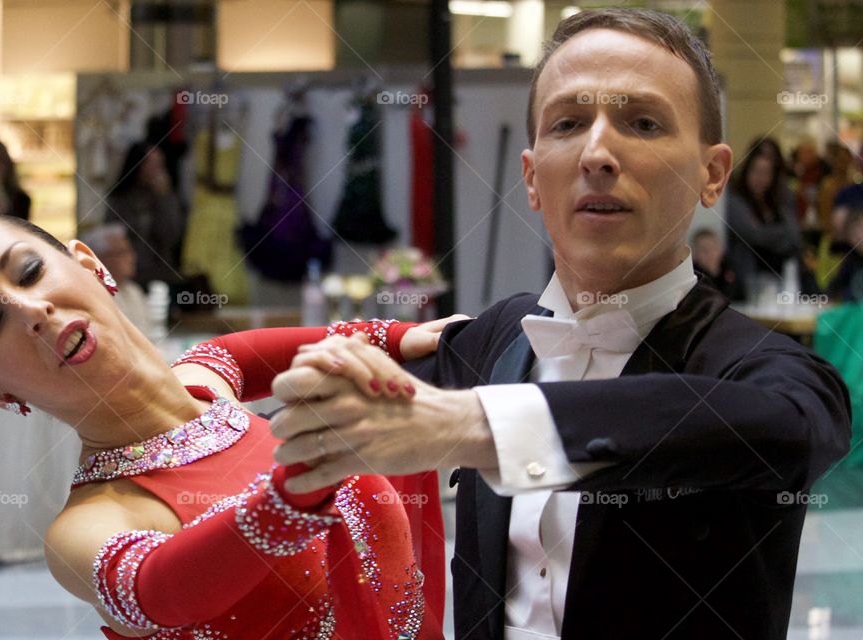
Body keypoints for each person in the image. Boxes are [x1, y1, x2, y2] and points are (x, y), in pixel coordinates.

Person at [268, 9, 851, 640]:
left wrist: (474, 426)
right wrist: (217, 387)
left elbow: (793, 428)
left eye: (643, 123)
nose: (598, 153)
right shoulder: (500, 335)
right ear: (531, 177)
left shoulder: (765, 369)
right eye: (568, 123)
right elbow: (322, 410)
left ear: (712, 174)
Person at [0, 213, 451, 639]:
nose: (32, 310)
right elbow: (163, 587)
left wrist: (405, 338)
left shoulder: (205, 383)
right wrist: (294, 492)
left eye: (29, 272)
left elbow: (245, 353)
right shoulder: (88, 526)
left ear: (89, 264)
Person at [725, 137, 803, 297]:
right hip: (751, 280)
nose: (760, 178)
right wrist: (780, 234)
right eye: (756, 171)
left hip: (783, 279)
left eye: (766, 173)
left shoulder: (778, 202)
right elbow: (753, 235)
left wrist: (765, 232)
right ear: (747, 171)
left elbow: (795, 236)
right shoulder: (736, 201)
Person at [105, 142, 185, 289]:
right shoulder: (120, 199)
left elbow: (172, 234)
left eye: (160, 164)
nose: (157, 170)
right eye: (152, 163)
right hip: (128, 276)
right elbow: (114, 236)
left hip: (161, 275)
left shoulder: (166, 197)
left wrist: (164, 197)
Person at [80, 224, 150, 336]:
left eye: (129, 251)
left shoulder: (134, 290)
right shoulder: (94, 296)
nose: (131, 258)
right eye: (121, 253)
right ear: (99, 259)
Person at [690, 228, 744, 301]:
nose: (710, 254)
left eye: (713, 248)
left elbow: (742, 296)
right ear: (695, 253)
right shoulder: (692, 276)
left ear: (720, 249)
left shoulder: (731, 268)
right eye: (704, 250)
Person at [825, 208, 863, 303]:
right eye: (853, 233)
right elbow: (835, 285)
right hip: (852, 312)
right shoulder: (851, 258)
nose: (858, 236)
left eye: (861, 228)